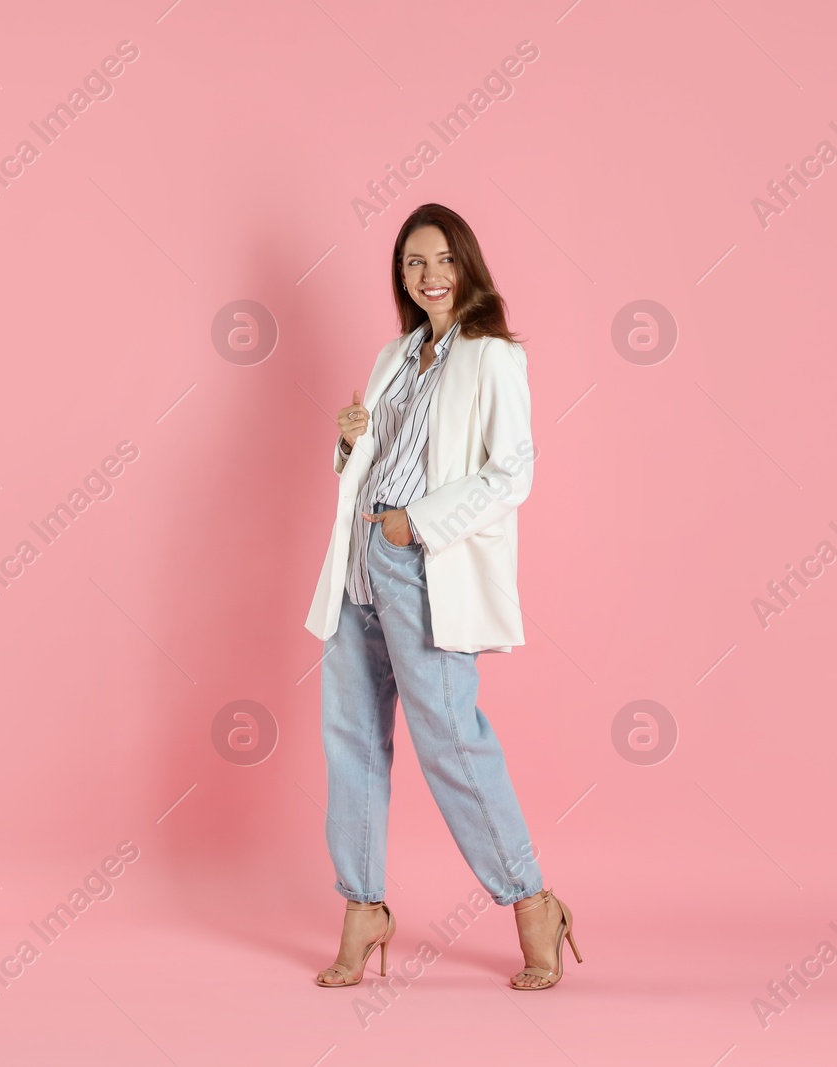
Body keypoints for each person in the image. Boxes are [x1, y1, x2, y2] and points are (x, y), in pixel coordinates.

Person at [303, 203, 580, 991]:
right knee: (350, 740)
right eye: (414, 263)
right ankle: (363, 906)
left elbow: (511, 472)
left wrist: (413, 528)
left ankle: (533, 901)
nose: (428, 276)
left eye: (442, 260)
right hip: (360, 559)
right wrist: (351, 441)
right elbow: (373, 463)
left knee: (451, 741)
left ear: (467, 265)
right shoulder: (396, 353)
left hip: (419, 561)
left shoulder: (493, 357)